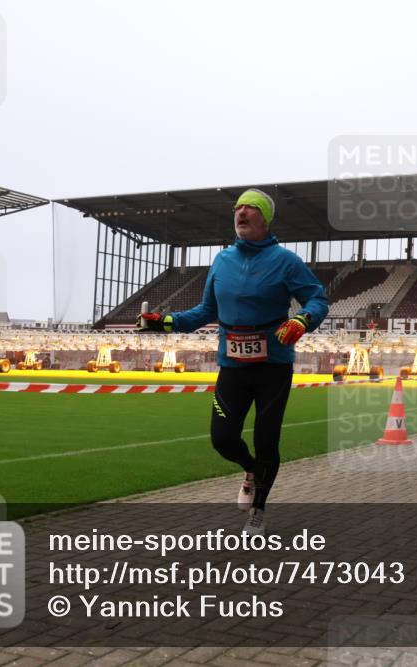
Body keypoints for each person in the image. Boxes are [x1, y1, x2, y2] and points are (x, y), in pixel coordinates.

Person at [137, 188, 329, 536]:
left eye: (250, 208)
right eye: (237, 208)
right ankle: (251, 471)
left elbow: (317, 299)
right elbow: (205, 312)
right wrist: (163, 322)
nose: (241, 213)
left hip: (273, 366)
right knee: (222, 438)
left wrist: (302, 321)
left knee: (266, 439)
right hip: (233, 367)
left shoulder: (286, 261)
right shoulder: (222, 261)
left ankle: (258, 509)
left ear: (264, 218)